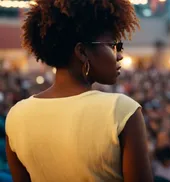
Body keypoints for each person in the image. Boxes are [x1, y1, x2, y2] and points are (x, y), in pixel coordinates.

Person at [5, 0, 153, 182]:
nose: (120, 54)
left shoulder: (16, 115)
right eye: (112, 45)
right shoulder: (121, 110)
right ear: (82, 52)